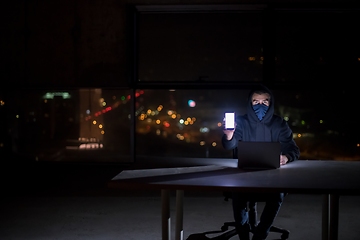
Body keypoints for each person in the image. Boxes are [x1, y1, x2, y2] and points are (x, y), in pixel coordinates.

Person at [222, 85, 300, 240]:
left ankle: (261, 233)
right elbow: (229, 145)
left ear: (271, 103)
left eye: (264, 101)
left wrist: (286, 157)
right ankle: (243, 235)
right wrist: (229, 135)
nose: (260, 105)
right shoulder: (241, 122)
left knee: (277, 194)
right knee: (238, 194)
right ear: (249, 103)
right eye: (255, 101)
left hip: (272, 175)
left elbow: (293, 149)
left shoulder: (279, 124)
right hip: (243, 175)